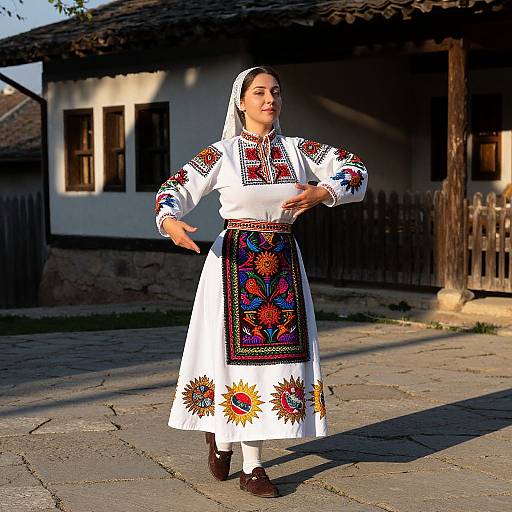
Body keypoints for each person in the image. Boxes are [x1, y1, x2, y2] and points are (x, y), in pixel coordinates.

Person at [154, 66, 368, 498]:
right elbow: (174, 188)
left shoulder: (297, 149)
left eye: (275, 92)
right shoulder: (222, 154)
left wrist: (323, 192)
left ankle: (242, 453)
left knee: (277, 361)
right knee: (235, 359)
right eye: (259, 92)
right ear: (241, 101)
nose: (270, 99)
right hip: (233, 263)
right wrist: (170, 219)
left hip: (283, 262)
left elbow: (356, 168)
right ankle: (236, 448)